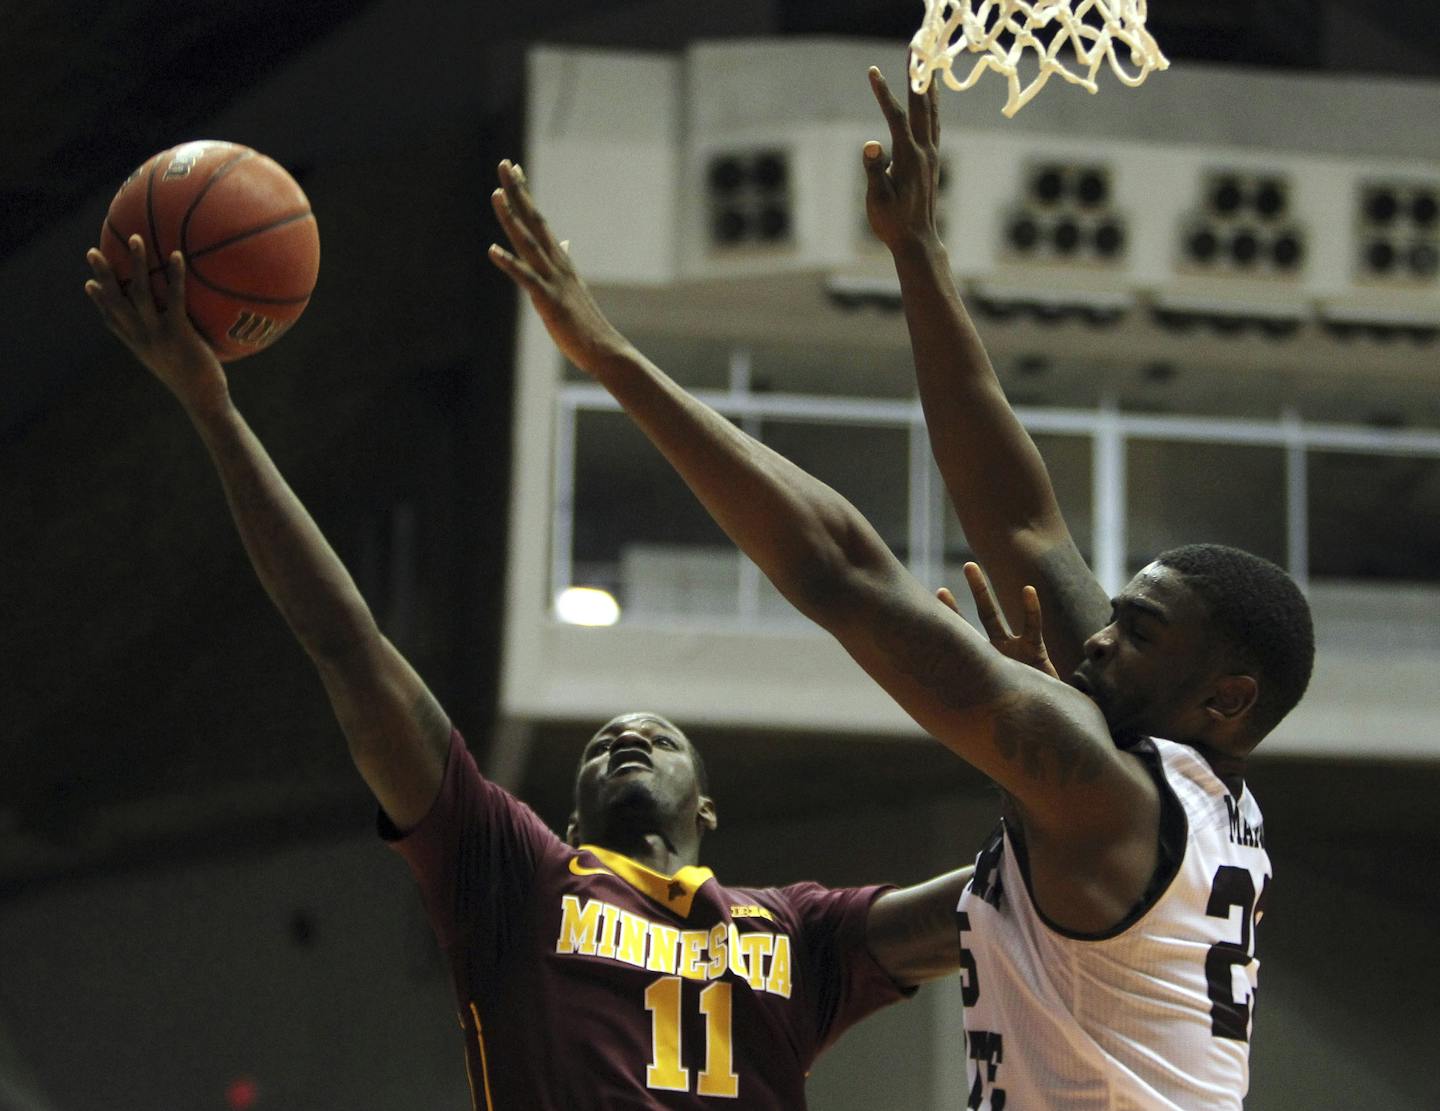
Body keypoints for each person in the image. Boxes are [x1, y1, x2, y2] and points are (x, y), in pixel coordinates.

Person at [487, 55, 1314, 1106]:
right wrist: (919, 254)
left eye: (1137, 632)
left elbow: (839, 574)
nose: (1098, 637)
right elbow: (1021, 516)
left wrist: (608, 358)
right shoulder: (1178, 791)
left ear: (1226, 698)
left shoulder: (1104, 791)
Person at [83, 234, 1019, 1110]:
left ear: (708, 812)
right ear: (569, 821)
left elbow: (1000, 900)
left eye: (661, 736)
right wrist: (215, 410)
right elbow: (347, 644)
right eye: (608, 739)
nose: (628, 734)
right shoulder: (516, 877)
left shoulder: (798, 932)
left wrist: (1036, 719)